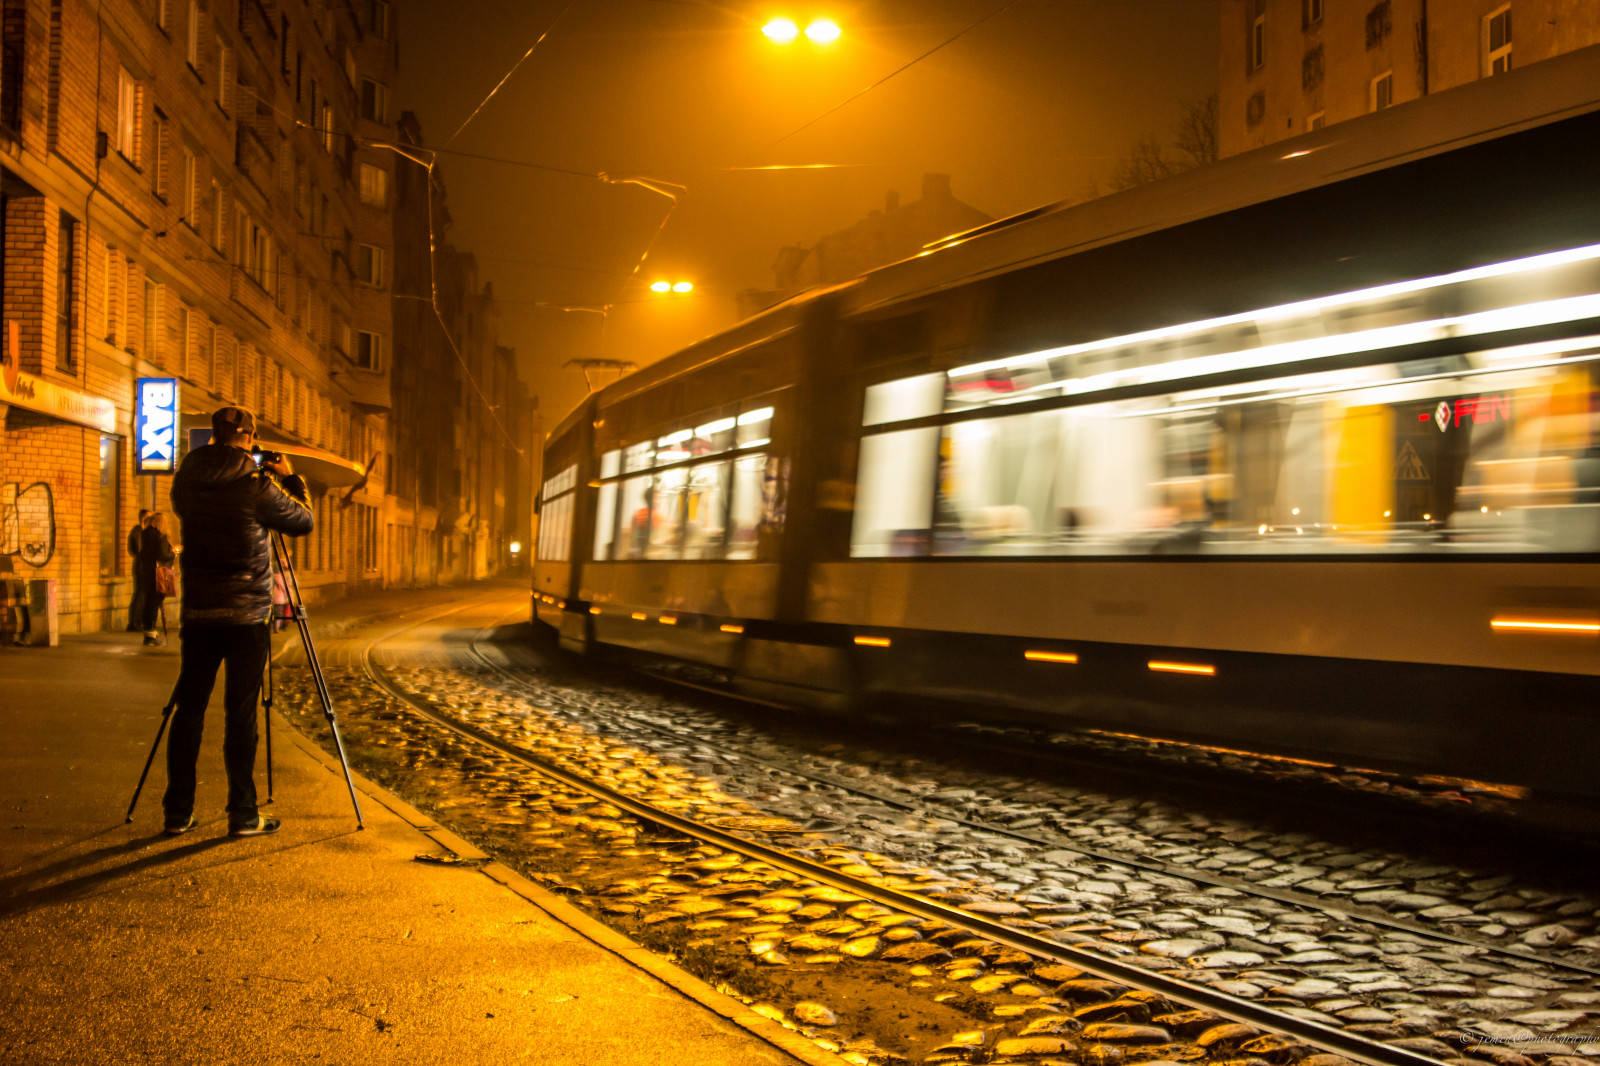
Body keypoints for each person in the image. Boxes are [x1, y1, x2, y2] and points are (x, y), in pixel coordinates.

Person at [163, 406, 312, 838]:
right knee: (240, 714)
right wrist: (291, 478)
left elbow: (179, 505)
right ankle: (243, 813)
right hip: (247, 616)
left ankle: (177, 812)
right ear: (248, 437)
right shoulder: (256, 485)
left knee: (188, 711)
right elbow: (303, 520)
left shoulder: (188, 478)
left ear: (215, 435)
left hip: (199, 613)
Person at [137, 513, 176, 646]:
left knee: (149, 602)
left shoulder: (145, 534)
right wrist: (173, 553)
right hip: (159, 574)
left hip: (147, 573)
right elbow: (163, 554)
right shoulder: (161, 536)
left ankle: (148, 633)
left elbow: (142, 554)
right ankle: (151, 635)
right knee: (155, 603)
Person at [127, 509, 151, 631]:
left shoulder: (140, 531)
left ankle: (137, 621)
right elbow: (136, 549)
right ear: (144, 519)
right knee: (140, 594)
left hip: (141, 564)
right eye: (149, 518)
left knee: (141, 594)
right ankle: (134, 623)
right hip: (141, 566)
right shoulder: (138, 531)